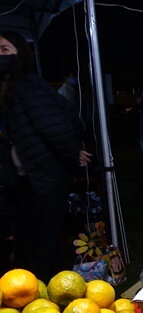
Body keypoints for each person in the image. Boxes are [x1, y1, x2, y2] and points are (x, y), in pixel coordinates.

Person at [0, 30, 91, 283]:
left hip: (45, 178)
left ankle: (43, 292)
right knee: (36, 239)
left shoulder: (26, 85)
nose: (1, 56)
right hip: (30, 176)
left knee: (40, 242)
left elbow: (57, 127)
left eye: (5, 50)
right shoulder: (12, 86)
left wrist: (73, 157)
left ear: (20, 53)